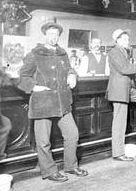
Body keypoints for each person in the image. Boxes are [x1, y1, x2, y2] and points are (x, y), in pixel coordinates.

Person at [17, 21, 88, 182]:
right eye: (50, 34)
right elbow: (22, 76)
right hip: (43, 102)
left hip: (62, 102)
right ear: (45, 35)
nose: (53, 37)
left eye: (56, 35)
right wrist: (34, 87)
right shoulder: (35, 53)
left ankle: (71, 166)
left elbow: (69, 68)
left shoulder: (62, 53)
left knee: (72, 134)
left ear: (59, 36)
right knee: (43, 141)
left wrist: (72, 75)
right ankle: (49, 171)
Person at [107, 29, 136, 161]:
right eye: (125, 39)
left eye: (128, 39)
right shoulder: (114, 51)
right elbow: (123, 69)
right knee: (119, 123)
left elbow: (126, 70)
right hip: (119, 91)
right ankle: (118, 153)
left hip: (126, 88)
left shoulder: (123, 51)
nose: (127, 41)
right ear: (118, 41)